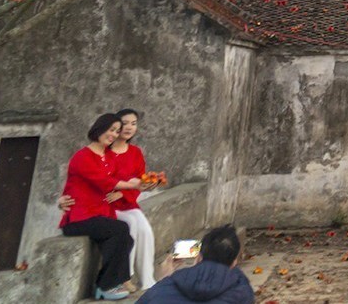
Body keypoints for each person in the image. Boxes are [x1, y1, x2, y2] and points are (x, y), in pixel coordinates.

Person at [60, 113, 138, 301]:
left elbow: (125, 176)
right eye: (111, 130)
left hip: (99, 214)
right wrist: (131, 185)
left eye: (117, 132)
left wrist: (142, 182)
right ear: (99, 128)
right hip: (79, 218)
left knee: (125, 238)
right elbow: (104, 181)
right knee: (120, 229)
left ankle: (113, 282)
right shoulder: (82, 157)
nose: (113, 134)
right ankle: (106, 284)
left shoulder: (109, 156)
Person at [138, 224, 254, 304]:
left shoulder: (166, 286)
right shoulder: (242, 290)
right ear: (234, 262)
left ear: (198, 257)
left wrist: (163, 280)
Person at [110, 107, 157, 292]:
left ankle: (148, 280)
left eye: (134, 123)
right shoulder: (105, 151)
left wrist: (127, 191)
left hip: (128, 202)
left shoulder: (136, 152)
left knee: (145, 231)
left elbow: (139, 180)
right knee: (131, 227)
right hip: (107, 204)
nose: (129, 127)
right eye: (125, 123)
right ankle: (125, 277)